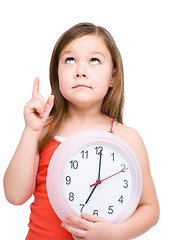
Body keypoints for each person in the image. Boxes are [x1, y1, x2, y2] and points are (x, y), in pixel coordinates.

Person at [3, 22, 159, 240]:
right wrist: (30, 131)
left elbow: (150, 209)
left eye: (94, 60)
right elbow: (14, 195)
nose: (81, 71)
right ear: (57, 73)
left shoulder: (126, 137)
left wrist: (115, 233)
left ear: (113, 76)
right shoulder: (42, 129)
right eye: (70, 60)